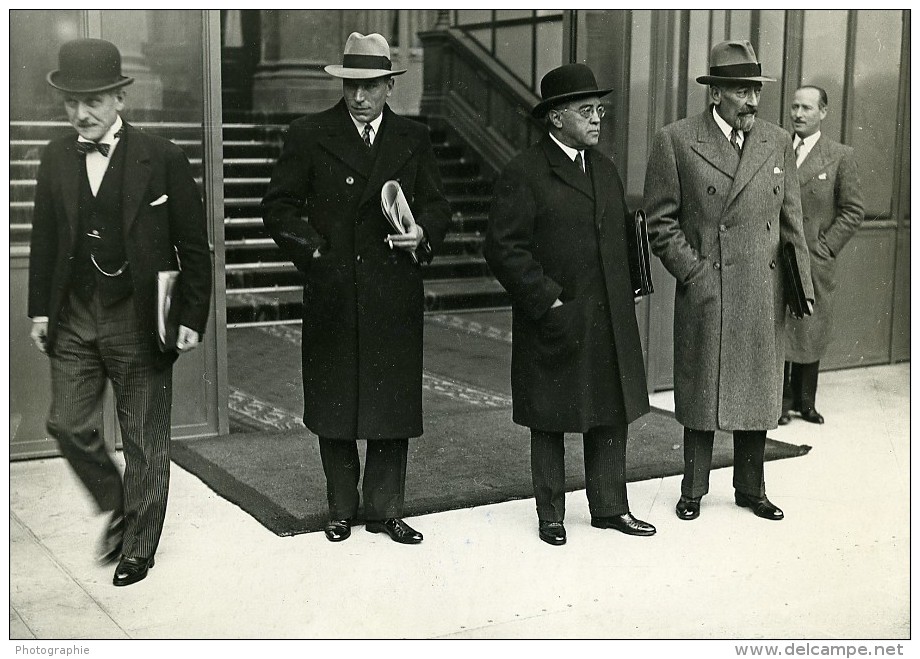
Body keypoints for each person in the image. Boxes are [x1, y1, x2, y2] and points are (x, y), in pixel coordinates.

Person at [28, 38, 212, 586]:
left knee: (144, 440)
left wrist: (190, 318)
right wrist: (40, 311)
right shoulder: (55, 157)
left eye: (94, 101)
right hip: (76, 314)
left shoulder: (165, 157)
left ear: (120, 98)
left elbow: (194, 249)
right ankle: (120, 503)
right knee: (65, 422)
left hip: (140, 316)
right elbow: (43, 239)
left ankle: (138, 547)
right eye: (70, 103)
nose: (81, 114)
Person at [261, 32, 450, 545]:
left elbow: (437, 204)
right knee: (336, 403)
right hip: (335, 292)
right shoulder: (309, 133)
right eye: (350, 86)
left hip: (393, 292)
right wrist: (315, 252)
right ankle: (340, 507)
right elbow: (277, 207)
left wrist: (422, 233)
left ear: (390, 86)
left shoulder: (414, 138)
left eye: (369, 86)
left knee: (391, 405)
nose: (359, 97)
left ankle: (387, 509)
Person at [643, 40, 814, 522]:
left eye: (755, 91)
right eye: (742, 91)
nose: (753, 102)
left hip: (764, 290)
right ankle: (693, 488)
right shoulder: (676, 140)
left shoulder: (777, 141)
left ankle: (751, 488)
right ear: (714, 93)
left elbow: (791, 220)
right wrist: (696, 274)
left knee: (758, 391)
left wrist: (801, 286)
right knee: (702, 391)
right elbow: (661, 222)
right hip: (709, 288)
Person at [485, 64, 655, 547]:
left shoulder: (603, 168)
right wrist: (548, 299)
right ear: (556, 119)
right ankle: (551, 515)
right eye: (586, 111)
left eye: (599, 109)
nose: (597, 118)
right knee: (551, 417)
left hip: (607, 316)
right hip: (557, 317)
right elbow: (502, 248)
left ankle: (610, 508)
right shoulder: (525, 171)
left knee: (610, 412)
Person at [780, 86, 864, 426]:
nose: (798, 114)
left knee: (811, 325)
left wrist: (825, 246)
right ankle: (781, 402)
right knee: (782, 325)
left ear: (823, 113)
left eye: (807, 108)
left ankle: (805, 401)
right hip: (781, 254)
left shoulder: (840, 155)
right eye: (795, 107)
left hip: (815, 258)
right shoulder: (777, 147)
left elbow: (853, 210)